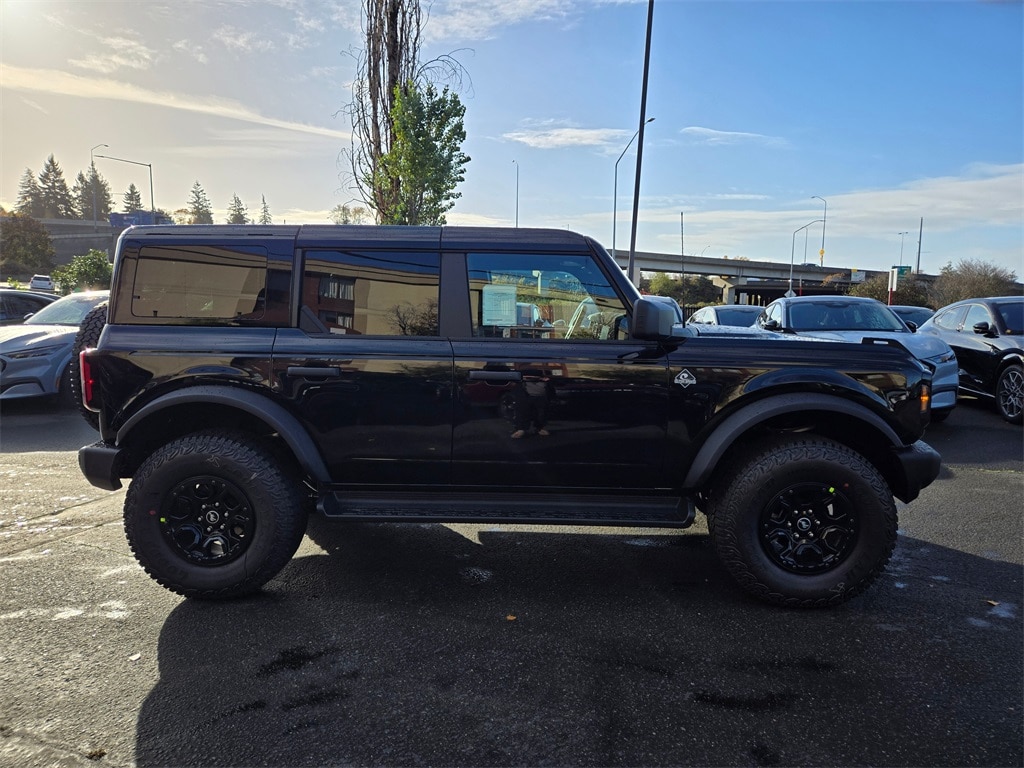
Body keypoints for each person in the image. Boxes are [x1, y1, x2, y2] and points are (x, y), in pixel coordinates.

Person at [511, 368, 553, 438]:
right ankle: (520, 429)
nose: (531, 379)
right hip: (525, 398)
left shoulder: (545, 382)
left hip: (540, 397)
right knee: (522, 412)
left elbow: (551, 391)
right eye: (528, 377)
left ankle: (539, 428)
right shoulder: (520, 383)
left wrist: (548, 382)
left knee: (541, 413)